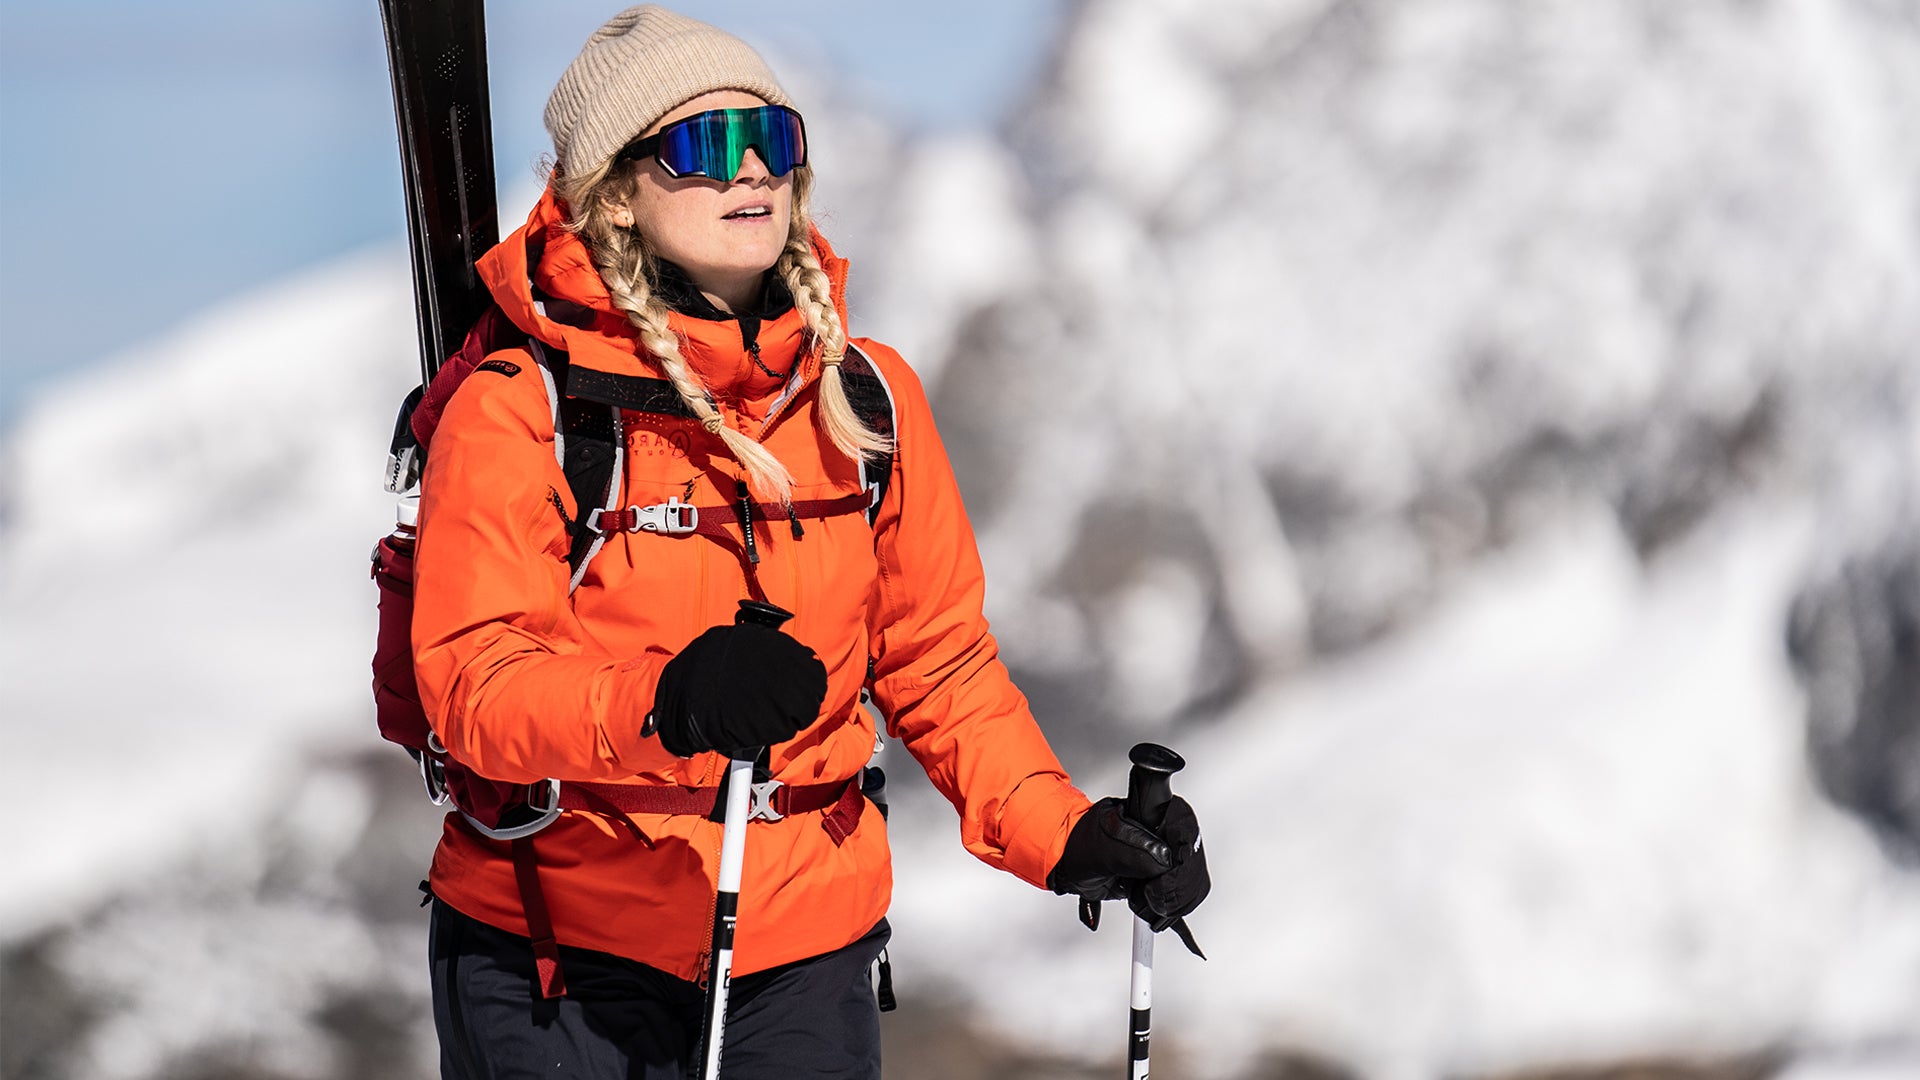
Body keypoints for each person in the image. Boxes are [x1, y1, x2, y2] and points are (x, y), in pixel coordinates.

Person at [409, 6, 1210, 1077]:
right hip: (562, 955)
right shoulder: (524, 409)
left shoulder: (866, 397)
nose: (751, 173)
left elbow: (939, 665)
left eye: (773, 141)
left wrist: (1064, 836)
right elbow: (476, 687)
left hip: (804, 957)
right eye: (702, 146)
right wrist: (670, 703)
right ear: (614, 191)